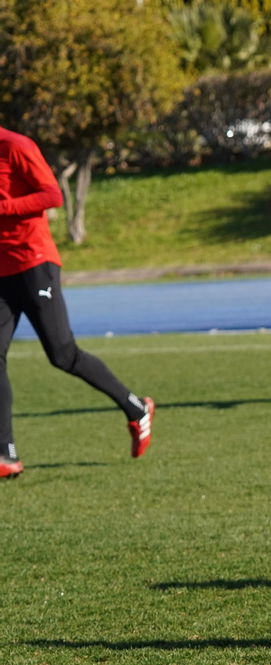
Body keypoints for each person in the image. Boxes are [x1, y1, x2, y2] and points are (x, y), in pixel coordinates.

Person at [0, 126, 153, 479]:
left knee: (62, 354)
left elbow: (51, 195)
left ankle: (136, 408)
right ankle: (6, 455)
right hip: (2, 272)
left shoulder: (16, 146)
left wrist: (4, 207)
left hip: (34, 263)